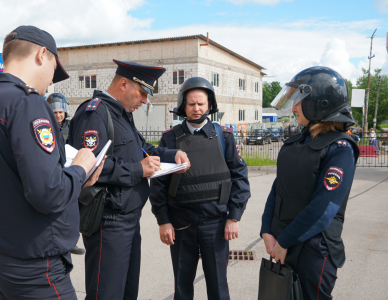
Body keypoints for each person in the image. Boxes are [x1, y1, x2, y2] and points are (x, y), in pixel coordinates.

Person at [0, 25, 103, 299]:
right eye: (53, 70)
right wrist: (81, 167)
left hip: (2, 253)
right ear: (41, 55)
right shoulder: (27, 103)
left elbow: (10, 180)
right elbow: (47, 193)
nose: (51, 82)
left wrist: (75, 178)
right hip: (35, 265)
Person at [67, 59, 191, 300]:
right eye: (142, 92)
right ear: (123, 84)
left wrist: (170, 155)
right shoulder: (95, 112)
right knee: (106, 293)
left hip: (128, 221)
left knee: (126, 293)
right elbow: (88, 164)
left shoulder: (120, 113)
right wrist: (138, 170)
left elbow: (140, 148)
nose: (145, 100)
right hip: (108, 221)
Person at [261, 66, 360, 300]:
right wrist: (266, 230)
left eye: (299, 100)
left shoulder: (340, 149)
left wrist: (284, 241)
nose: (294, 107)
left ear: (320, 102)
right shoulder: (296, 143)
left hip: (313, 250)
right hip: (283, 242)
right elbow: (278, 189)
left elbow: (323, 209)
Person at [149, 77, 251, 300]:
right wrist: (163, 221)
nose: (196, 109)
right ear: (183, 105)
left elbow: (240, 178)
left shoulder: (224, 137)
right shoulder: (169, 140)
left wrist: (234, 217)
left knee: (218, 288)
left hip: (215, 226)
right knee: (182, 289)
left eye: (201, 104)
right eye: (191, 104)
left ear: (209, 105)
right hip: (181, 226)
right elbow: (158, 185)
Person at [46, 92, 86, 256]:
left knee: (73, 210)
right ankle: (54, 241)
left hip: (71, 172)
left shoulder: (72, 126)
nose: (58, 115)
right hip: (54, 173)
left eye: (60, 112)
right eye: (54, 112)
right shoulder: (46, 127)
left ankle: (71, 242)